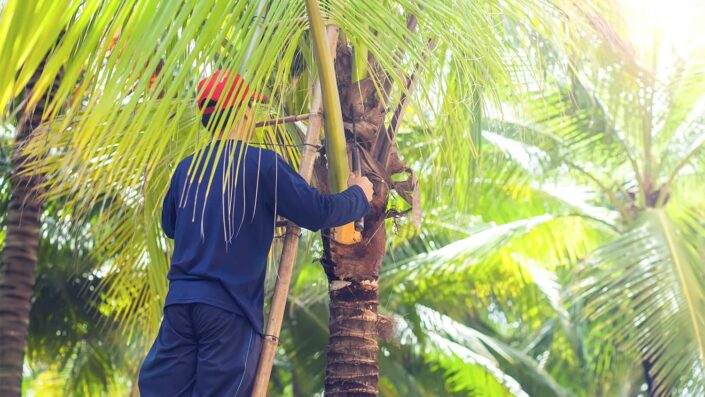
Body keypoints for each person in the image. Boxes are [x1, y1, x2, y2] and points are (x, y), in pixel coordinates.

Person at [137, 70, 373, 396]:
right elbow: (318, 213)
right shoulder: (262, 165)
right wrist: (359, 194)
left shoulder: (186, 169)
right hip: (228, 312)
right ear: (244, 112)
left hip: (181, 308)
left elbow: (170, 226)